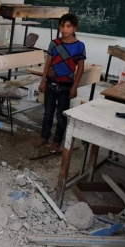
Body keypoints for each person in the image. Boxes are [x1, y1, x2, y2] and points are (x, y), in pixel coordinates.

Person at [33, 13, 86, 152]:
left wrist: (75, 87)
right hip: (51, 84)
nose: (64, 29)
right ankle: (44, 137)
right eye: (62, 25)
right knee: (47, 113)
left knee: (61, 116)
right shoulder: (54, 43)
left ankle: (57, 141)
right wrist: (43, 80)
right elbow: (47, 63)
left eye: (68, 26)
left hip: (66, 87)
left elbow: (80, 68)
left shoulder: (79, 46)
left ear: (75, 27)